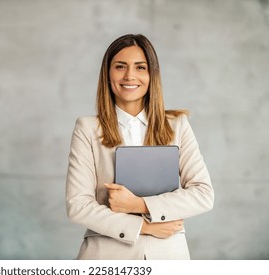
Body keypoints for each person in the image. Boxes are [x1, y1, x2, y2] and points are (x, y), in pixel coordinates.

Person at [65, 34, 214, 260]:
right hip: (106, 256)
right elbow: (79, 205)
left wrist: (139, 204)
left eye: (140, 67)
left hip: (169, 256)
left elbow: (203, 194)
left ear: (151, 74)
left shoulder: (177, 125)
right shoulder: (87, 128)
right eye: (120, 66)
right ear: (108, 73)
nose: (129, 75)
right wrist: (143, 227)